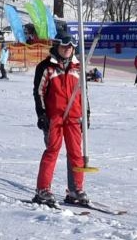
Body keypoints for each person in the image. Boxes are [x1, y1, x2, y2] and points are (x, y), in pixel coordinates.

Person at [32, 39, 88, 207]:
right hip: (54, 117)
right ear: (57, 46)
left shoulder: (78, 67)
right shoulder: (46, 67)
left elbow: (83, 93)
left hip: (74, 117)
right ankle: (43, 189)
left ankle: (75, 189)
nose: (67, 49)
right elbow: (39, 92)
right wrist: (42, 114)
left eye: (70, 46)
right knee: (52, 151)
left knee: (76, 153)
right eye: (64, 46)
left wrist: (86, 114)